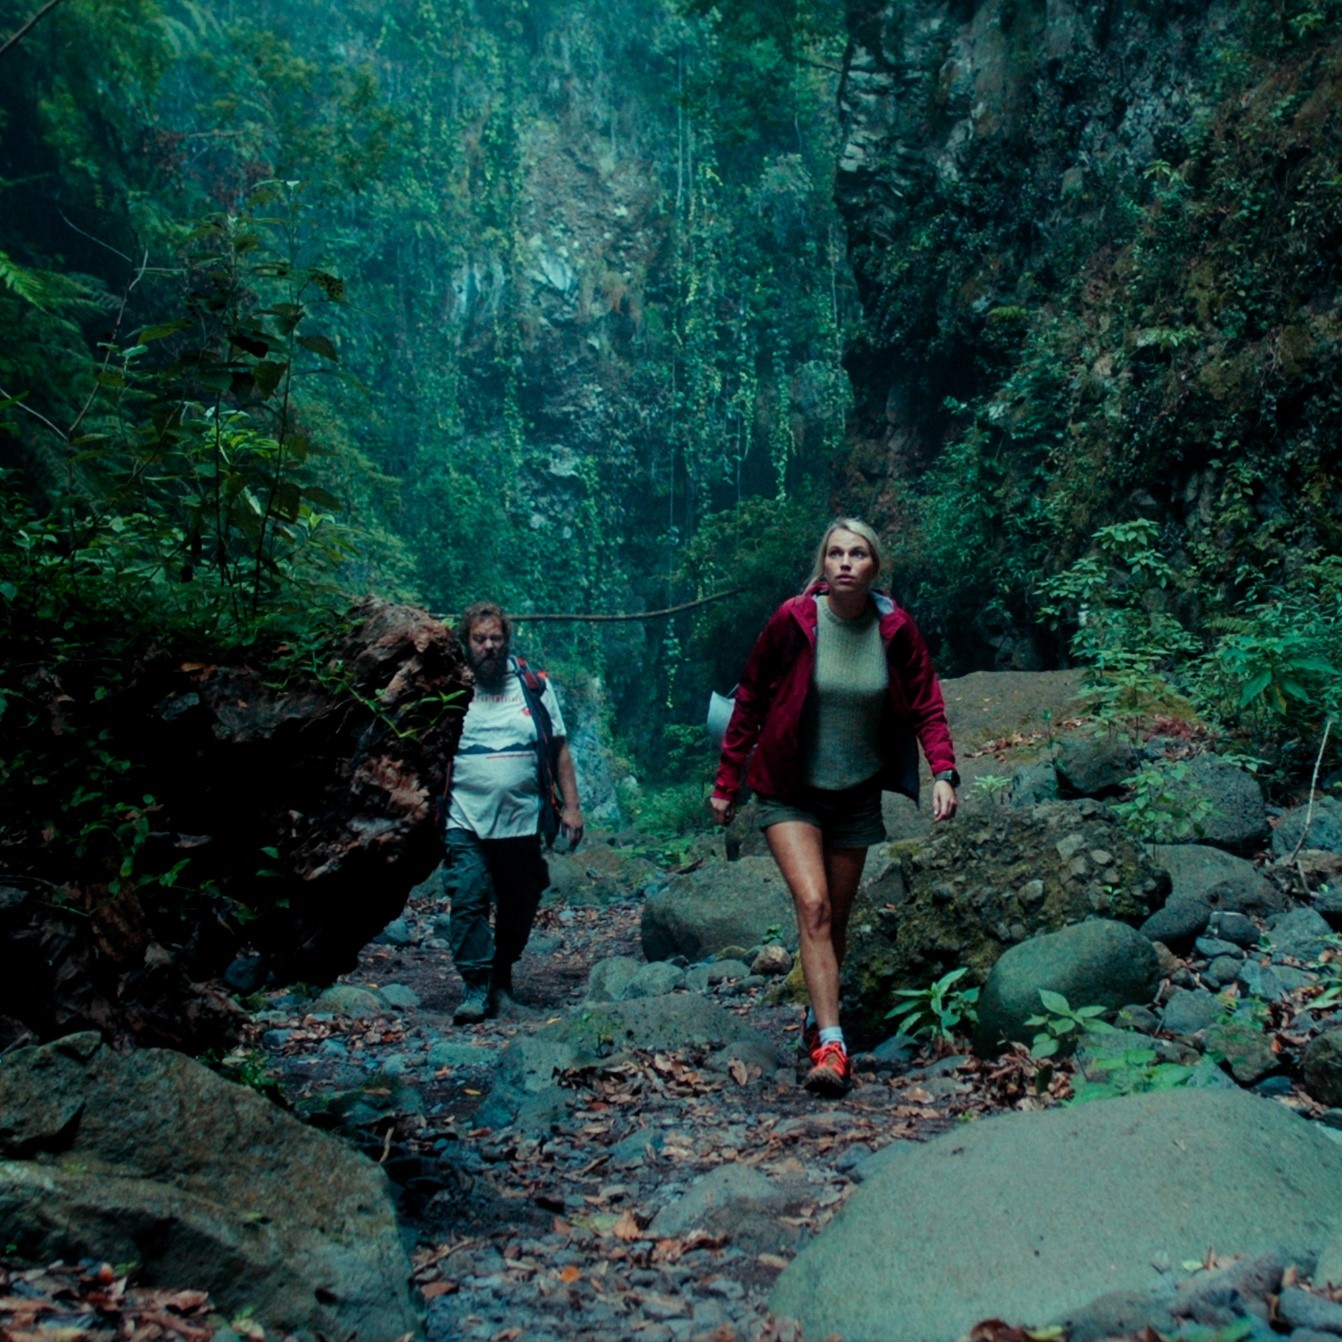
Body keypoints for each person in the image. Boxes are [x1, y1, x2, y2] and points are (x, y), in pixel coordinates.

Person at [710, 519, 959, 1095]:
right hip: (788, 788)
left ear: (875, 567)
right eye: (836, 553)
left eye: (858, 554)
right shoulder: (792, 620)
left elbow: (926, 701)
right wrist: (727, 781)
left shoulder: (894, 628)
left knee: (835, 923)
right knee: (815, 906)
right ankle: (832, 1044)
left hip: (855, 793)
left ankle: (816, 1016)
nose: (846, 562)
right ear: (823, 564)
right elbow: (749, 697)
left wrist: (943, 771)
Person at [442, 601, 584, 1023]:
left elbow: (558, 747)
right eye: (479, 639)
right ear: (466, 642)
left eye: (495, 638)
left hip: (521, 820)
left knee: (520, 901)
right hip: (463, 817)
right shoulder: (448, 686)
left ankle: (500, 978)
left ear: (506, 641)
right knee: (467, 897)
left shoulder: (533, 686)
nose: (488, 646)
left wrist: (572, 808)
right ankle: (474, 987)